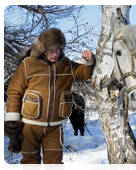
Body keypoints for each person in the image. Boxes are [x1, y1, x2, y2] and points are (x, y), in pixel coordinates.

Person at [4, 28, 95, 170]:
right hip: (30, 126)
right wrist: (12, 121)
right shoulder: (28, 65)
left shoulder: (66, 65)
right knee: (30, 164)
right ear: (42, 49)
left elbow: (85, 73)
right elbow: (14, 93)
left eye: (58, 50)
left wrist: (89, 61)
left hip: (54, 127)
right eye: (51, 50)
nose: (55, 54)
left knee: (55, 165)